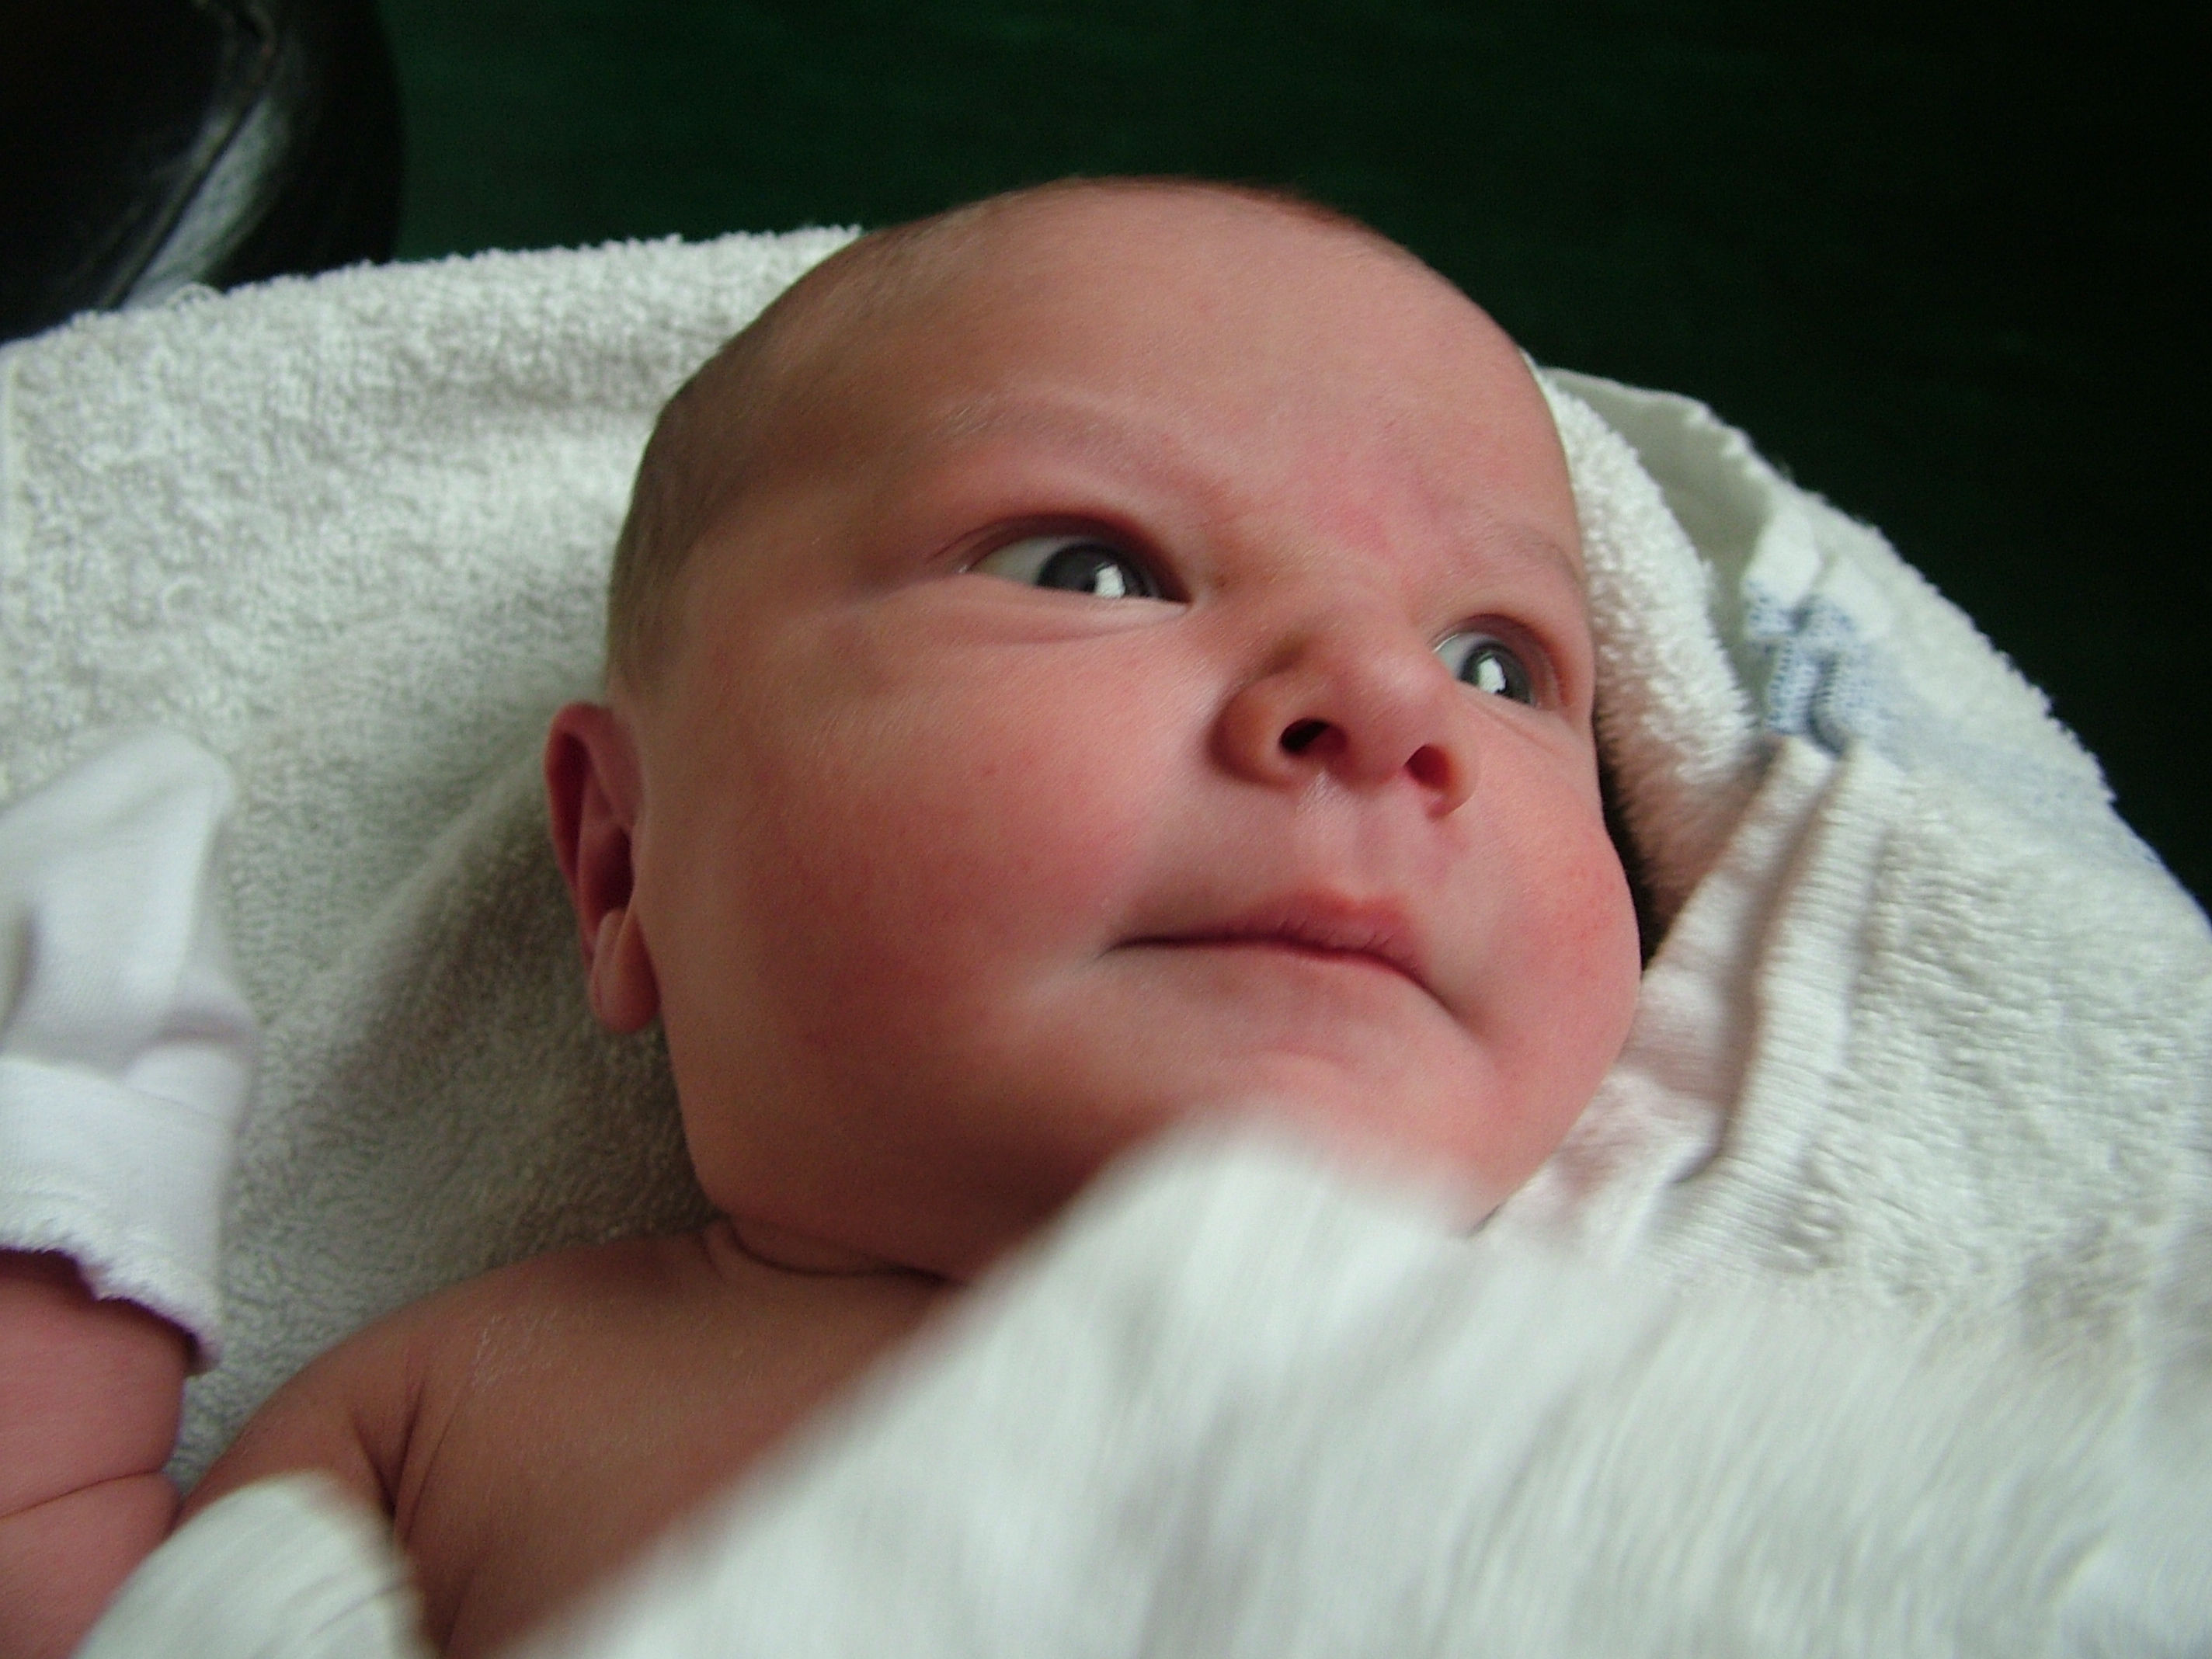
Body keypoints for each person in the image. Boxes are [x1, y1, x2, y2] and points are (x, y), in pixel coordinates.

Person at [0, 176, 1643, 1659]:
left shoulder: (1621, 1399)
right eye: (1087, 570)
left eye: (1497, 664)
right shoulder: (471, 1416)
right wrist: (60, 1243)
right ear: (622, 866)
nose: (1384, 699)